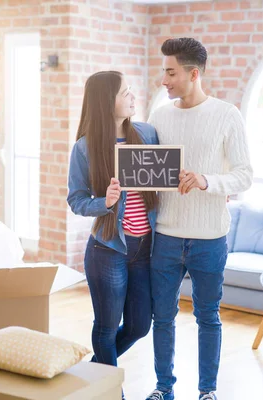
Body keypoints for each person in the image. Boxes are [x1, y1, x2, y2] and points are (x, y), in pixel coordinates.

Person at [145, 38, 253, 400]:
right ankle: (164, 388)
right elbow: (149, 173)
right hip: (165, 236)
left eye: (171, 72)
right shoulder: (159, 116)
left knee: (208, 317)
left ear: (193, 74)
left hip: (209, 238)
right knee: (162, 318)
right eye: (163, 71)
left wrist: (207, 181)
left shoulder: (227, 114)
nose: (164, 79)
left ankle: (207, 392)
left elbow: (244, 175)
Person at [66, 71, 159, 400]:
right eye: (125, 93)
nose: (133, 97)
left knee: (139, 326)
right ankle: (111, 395)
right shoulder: (85, 148)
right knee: (106, 327)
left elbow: (166, 178)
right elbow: (76, 200)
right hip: (107, 250)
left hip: (144, 249)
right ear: (107, 102)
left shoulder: (147, 134)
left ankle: (93, 373)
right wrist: (104, 203)